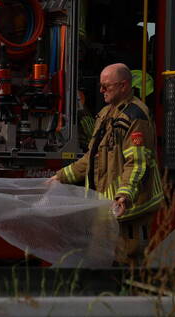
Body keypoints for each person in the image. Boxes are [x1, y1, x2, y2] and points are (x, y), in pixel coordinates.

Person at [51, 63, 163, 264]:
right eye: (101, 85)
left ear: (124, 86)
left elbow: (137, 162)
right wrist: (60, 177)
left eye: (107, 86)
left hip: (129, 209)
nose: (101, 90)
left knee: (126, 261)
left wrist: (124, 196)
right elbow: (91, 157)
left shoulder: (136, 117)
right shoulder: (105, 114)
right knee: (101, 261)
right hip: (107, 208)